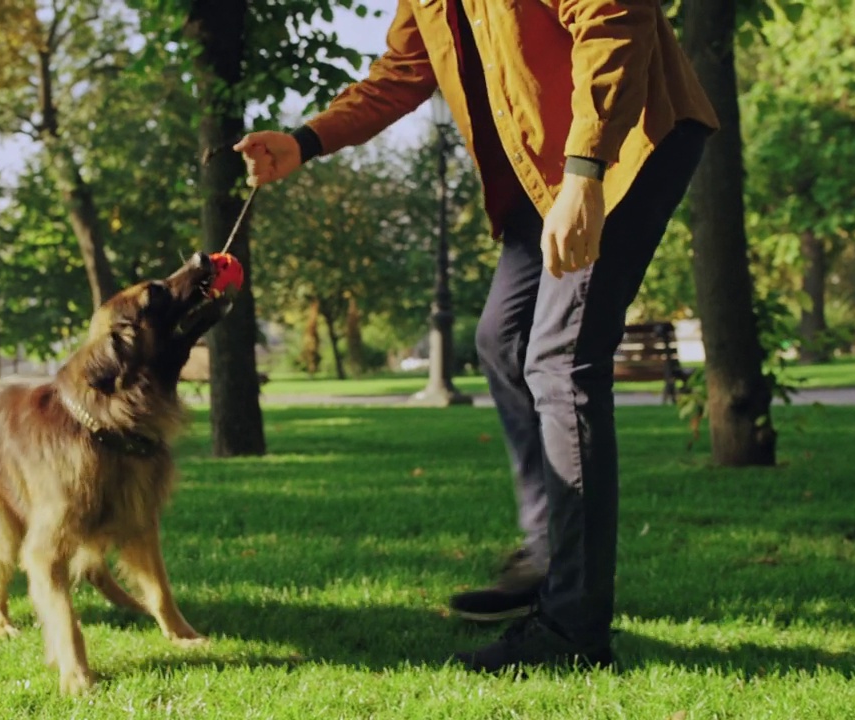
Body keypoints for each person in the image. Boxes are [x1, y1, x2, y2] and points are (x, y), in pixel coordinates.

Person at [234, 0, 719, 672]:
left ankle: (573, 629)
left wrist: (586, 172)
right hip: (542, 172)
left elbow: (614, 19)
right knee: (503, 340)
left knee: (559, 357)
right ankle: (551, 548)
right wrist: (307, 139)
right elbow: (403, 72)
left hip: (624, 140)